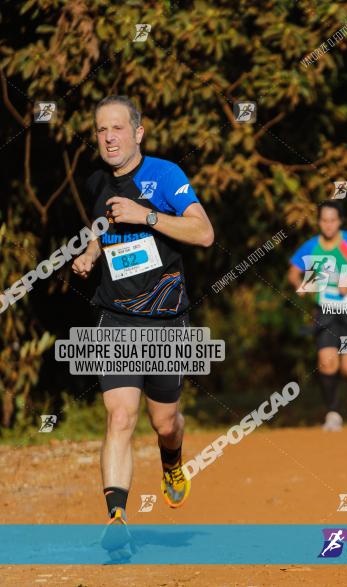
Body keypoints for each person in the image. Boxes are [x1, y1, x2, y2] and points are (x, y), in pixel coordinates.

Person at [71, 95, 214, 556]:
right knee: (120, 416)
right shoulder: (95, 180)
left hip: (166, 319)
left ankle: (172, 458)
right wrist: (91, 253)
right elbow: (102, 226)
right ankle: (117, 518)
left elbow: (204, 233)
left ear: (138, 132)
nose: (108, 137)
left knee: (164, 421)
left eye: (116, 128)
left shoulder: (166, 175)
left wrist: (147, 215)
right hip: (114, 317)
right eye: (100, 130)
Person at [288, 200, 347, 432]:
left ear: (340, 221)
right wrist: (305, 286)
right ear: (319, 222)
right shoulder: (310, 246)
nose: (328, 225)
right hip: (325, 314)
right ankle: (333, 412)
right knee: (326, 361)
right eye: (324, 220)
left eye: (332, 220)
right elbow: (293, 274)